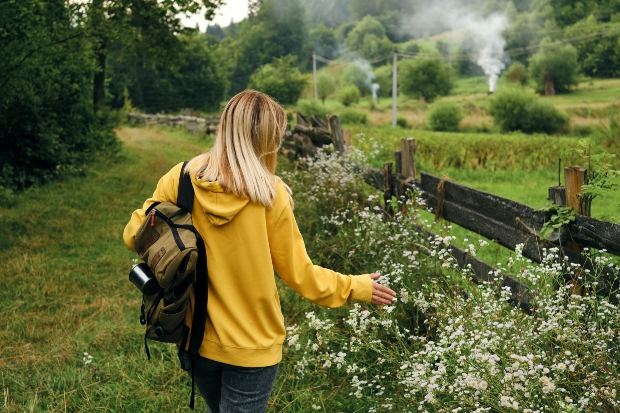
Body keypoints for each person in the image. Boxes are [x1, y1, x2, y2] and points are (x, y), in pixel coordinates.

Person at [123, 90, 396, 413]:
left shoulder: (182, 179)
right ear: (267, 141)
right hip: (253, 350)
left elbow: (133, 234)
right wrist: (357, 286)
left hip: (194, 341)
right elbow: (302, 275)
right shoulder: (270, 195)